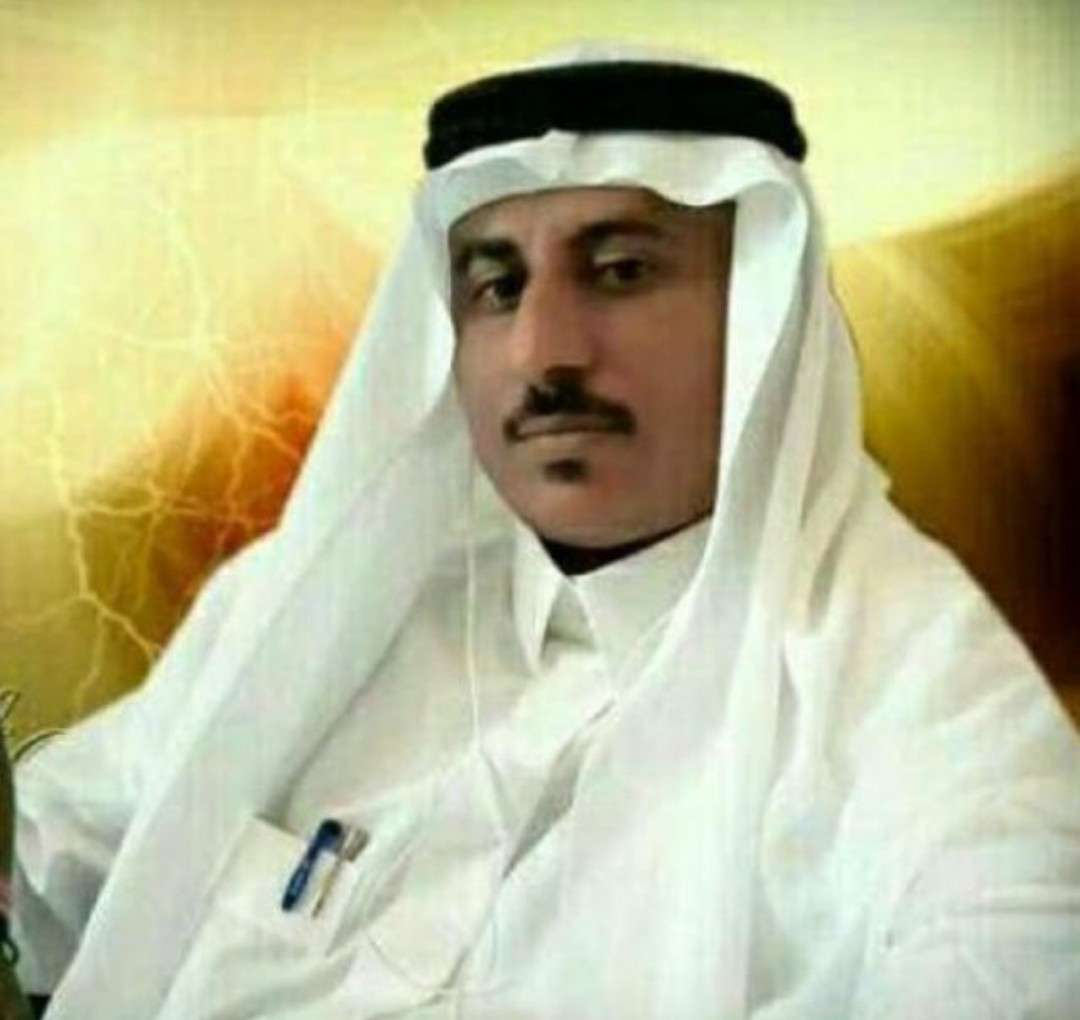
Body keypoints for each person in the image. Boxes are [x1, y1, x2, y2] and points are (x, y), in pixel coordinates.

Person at [7, 45, 1080, 1019]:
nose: (542, 351)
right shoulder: (311, 607)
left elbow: (1015, 942)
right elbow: (55, 856)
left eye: (621, 271)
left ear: (758, 309)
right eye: (496, 286)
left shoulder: (913, 674)